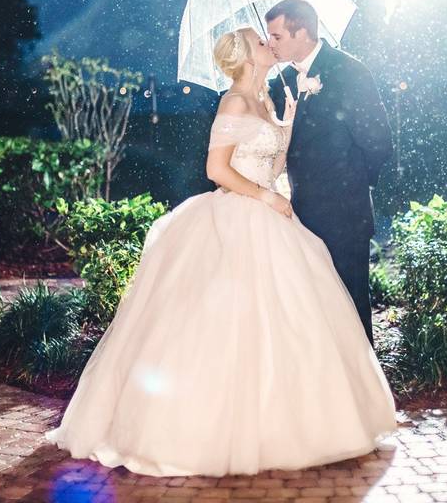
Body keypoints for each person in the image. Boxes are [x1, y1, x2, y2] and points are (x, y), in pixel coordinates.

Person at [43, 26, 397, 477]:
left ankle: (296, 422)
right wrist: (266, 198)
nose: (270, 43)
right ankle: (206, 430)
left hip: (274, 218)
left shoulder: (267, 99)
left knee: (292, 321)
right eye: (260, 40)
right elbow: (216, 169)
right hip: (240, 215)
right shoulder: (234, 101)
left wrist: (285, 123)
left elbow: (273, 159)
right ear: (246, 55)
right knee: (226, 324)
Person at [266, 0, 394, 347]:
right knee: (312, 310)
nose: (271, 43)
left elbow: (377, 141)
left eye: (277, 36)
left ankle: (364, 391)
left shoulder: (349, 71)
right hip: (297, 217)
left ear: (302, 31)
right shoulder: (280, 84)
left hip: (344, 214)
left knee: (350, 304)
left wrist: (349, 186)